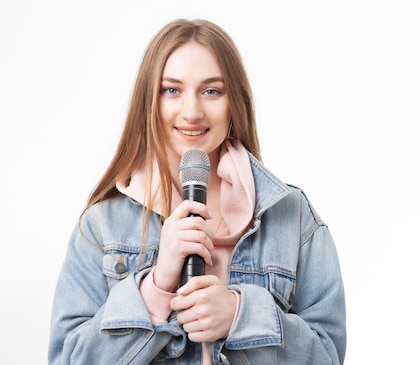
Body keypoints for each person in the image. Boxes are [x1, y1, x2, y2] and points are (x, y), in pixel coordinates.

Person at [48, 18, 346, 365]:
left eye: (211, 91)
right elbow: (67, 359)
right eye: (172, 90)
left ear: (234, 102)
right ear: (150, 102)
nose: (191, 112)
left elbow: (327, 356)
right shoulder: (102, 226)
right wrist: (155, 288)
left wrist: (239, 314)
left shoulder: (292, 216)